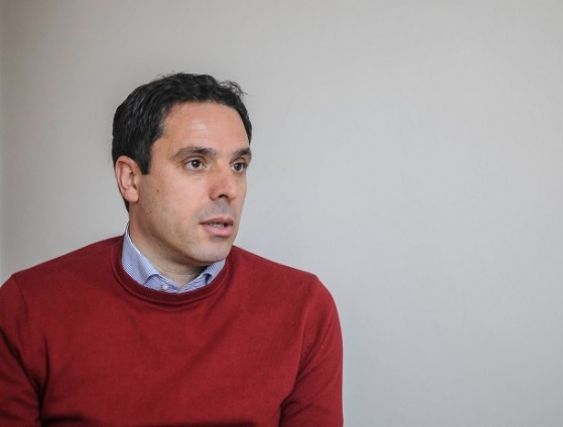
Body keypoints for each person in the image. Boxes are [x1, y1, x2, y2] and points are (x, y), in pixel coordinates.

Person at [0, 73, 343, 426]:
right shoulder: (27, 307)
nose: (228, 189)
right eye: (195, 163)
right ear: (130, 179)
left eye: (238, 166)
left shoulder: (303, 308)